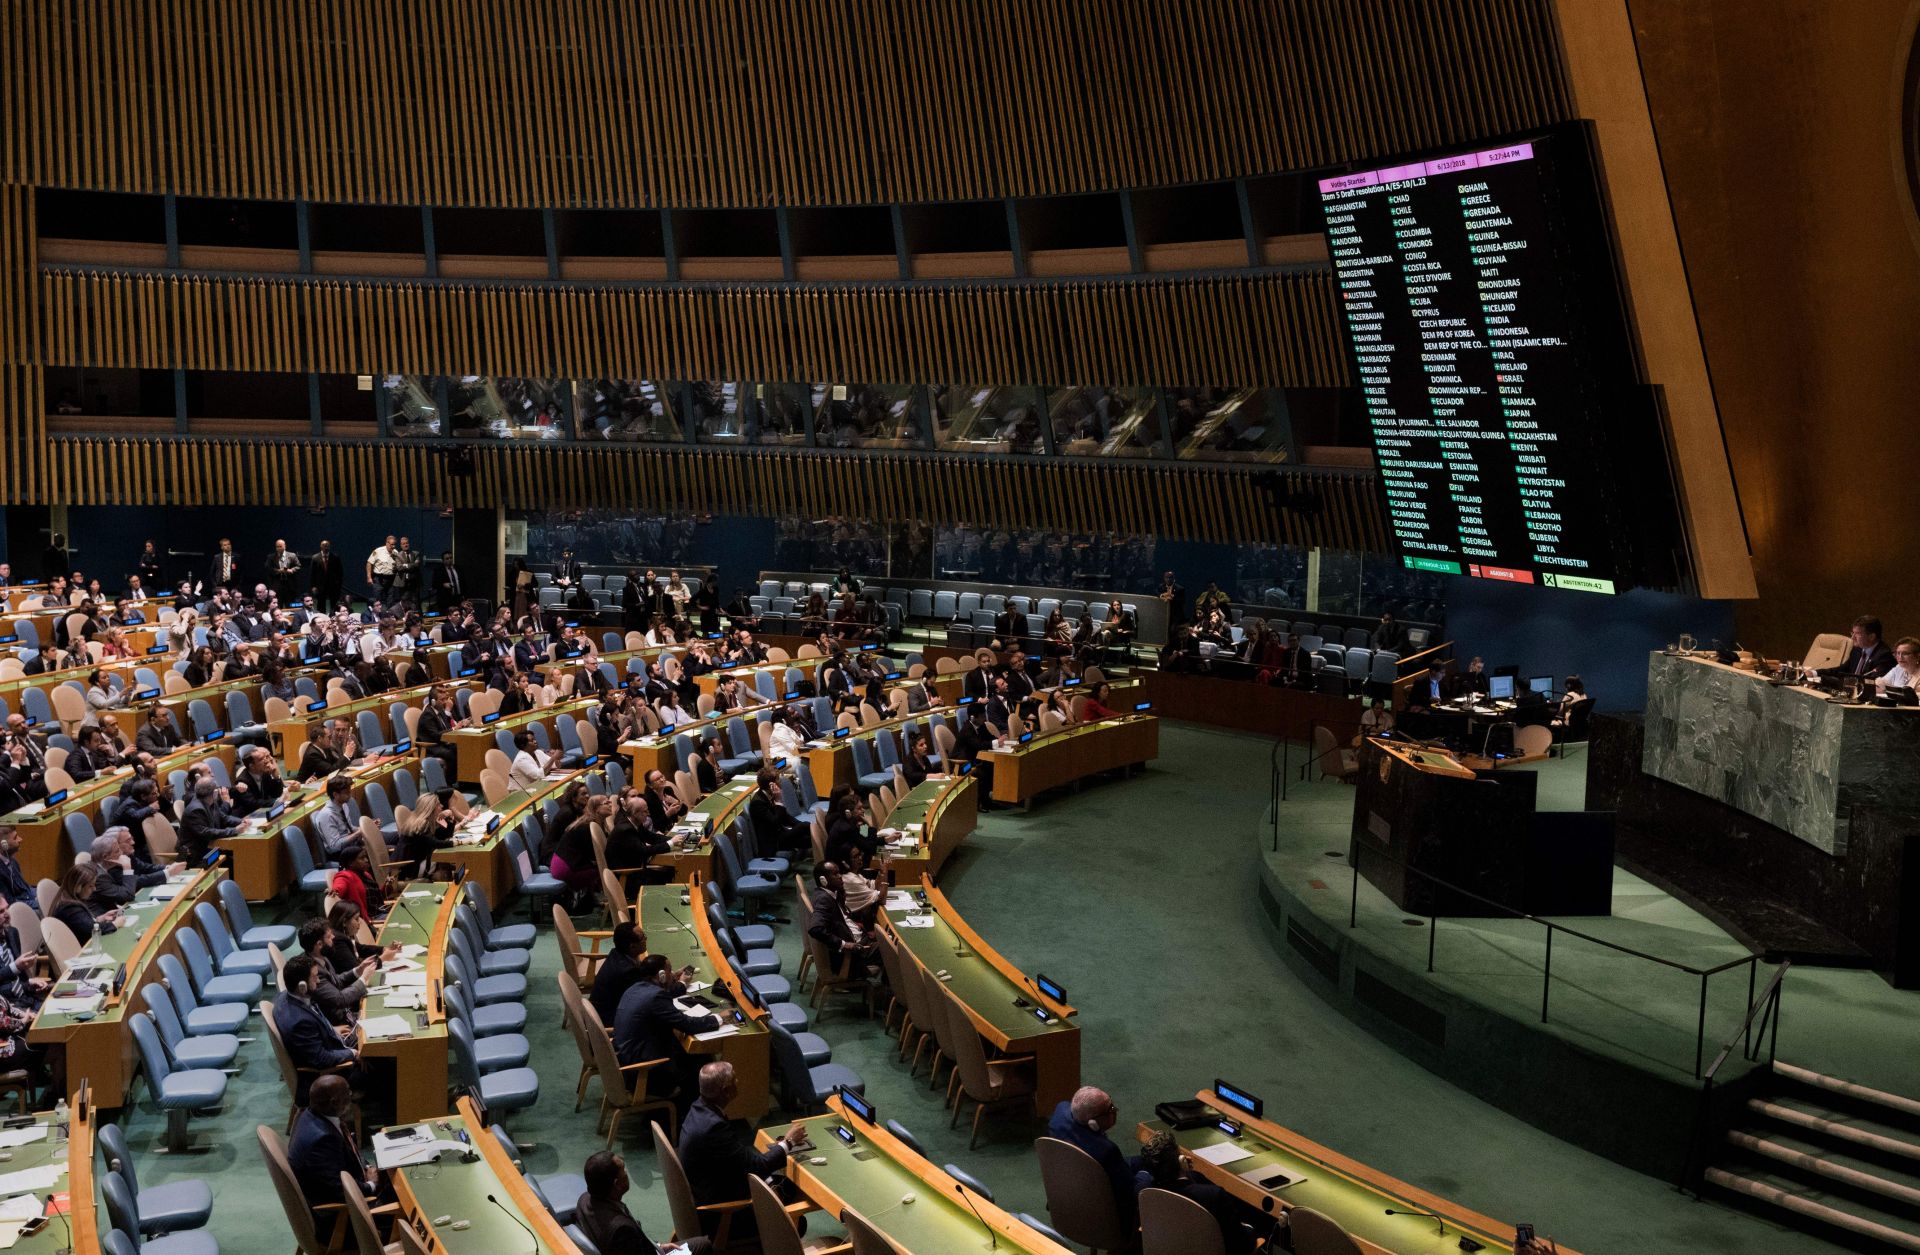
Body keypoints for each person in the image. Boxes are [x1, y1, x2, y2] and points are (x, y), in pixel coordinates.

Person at [677, 1062, 806, 1239]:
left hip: (710, 1189)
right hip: (724, 1215)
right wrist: (789, 1142)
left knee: (784, 1186)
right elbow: (758, 1166)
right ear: (726, 1090)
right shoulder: (714, 1128)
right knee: (797, 1219)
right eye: (734, 1079)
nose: (738, 1080)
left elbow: (737, 1158)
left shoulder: (699, 1109)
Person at [1134, 1129, 1261, 1255]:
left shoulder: (1144, 1193)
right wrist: (1250, 1229)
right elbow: (1241, 1245)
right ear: (1182, 1161)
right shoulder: (1214, 1196)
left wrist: (1187, 1174)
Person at [612, 954, 714, 1109]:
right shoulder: (656, 997)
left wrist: (676, 983)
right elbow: (687, 1024)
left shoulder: (634, 988)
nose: (672, 974)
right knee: (700, 1062)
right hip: (644, 1073)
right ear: (660, 975)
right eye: (669, 970)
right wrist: (718, 1019)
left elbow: (660, 998)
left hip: (627, 1061)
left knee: (688, 1053)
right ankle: (686, 1117)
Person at [575, 1150, 713, 1255]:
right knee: (703, 1244)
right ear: (616, 1184)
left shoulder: (584, 1199)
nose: (627, 1172)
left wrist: (658, 1245)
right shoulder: (621, 1229)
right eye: (623, 1170)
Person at [286, 1073, 383, 1220]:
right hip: (343, 1216)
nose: (351, 1097)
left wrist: (367, 1167)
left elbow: (348, 1152)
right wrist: (371, 1185)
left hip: (350, 1184)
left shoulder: (308, 1115)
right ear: (334, 1102)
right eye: (347, 1093)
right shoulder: (322, 1139)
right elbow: (339, 1189)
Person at [1049, 1086, 1143, 1231]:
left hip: (1068, 1197)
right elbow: (1130, 1190)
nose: (1115, 1110)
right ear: (1094, 1123)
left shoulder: (1059, 1115)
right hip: (1104, 1216)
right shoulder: (1106, 1151)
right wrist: (1146, 1176)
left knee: (1143, 1160)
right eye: (1110, 1109)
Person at [274, 955, 361, 1100]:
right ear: (302, 986)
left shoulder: (285, 996)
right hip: (332, 1073)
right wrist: (352, 1054)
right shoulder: (300, 1022)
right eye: (314, 977)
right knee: (383, 1060)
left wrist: (331, 1028)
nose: (319, 981)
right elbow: (321, 1059)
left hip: (332, 1043)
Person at [807, 863, 876, 977]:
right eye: (835, 874)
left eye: (839, 872)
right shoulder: (823, 899)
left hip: (858, 939)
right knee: (891, 951)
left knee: (888, 940)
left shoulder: (831, 894)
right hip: (850, 954)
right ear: (823, 880)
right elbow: (815, 929)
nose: (840, 876)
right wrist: (843, 944)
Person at [589, 922, 649, 1024]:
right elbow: (649, 996)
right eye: (643, 937)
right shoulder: (627, 971)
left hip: (606, 1011)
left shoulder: (616, 953)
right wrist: (680, 984)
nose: (646, 939)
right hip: (612, 1020)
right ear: (632, 946)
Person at [49, 863, 122, 944]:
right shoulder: (69, 907)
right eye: (91, 886)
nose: (94, 889)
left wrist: (101, 918)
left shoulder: (68, 897)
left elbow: (81, 924)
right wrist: (115, 924)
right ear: (78, 887)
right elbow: (91, 930)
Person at [746, 768, 806, 860]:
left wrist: (800, 825)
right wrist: (778, 801)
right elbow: (775, 822)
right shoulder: (758, 803)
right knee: (805, 828)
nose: (780, 781)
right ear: (771, 785)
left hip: (780, 834)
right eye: (778, 779)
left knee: (806, 834)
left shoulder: (769, 794)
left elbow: (786, 817)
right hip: (772, 842)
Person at [180, 778, 243, 864]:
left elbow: (224, 818)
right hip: (197, 855)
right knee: (236, 858)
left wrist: (242, 822)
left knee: (239, 853)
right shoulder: (196, 809)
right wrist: (234, 830)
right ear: (215, 793)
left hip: (210, 847)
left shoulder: (211, 802)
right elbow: (207, 833)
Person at [398, 793, 458, 876]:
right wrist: (459, 842)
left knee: (446, 862)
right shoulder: (421, 824)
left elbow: (445, 835)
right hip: (412, 868)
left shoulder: (427, 821)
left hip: (420, 861)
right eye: (438, 804)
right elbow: (436, 843)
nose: (441, 806)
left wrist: (450, 817)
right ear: (431, 808)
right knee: (446, 862)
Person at [1823, 614, 1896, 680]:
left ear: (1871, 637)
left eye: (1857, 634)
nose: (1852, 637)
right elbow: (1841, 670)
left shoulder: (1884, 656)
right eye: (1852, 633)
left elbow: (1872, 683)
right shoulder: (1857, 649)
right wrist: (1815, 673)